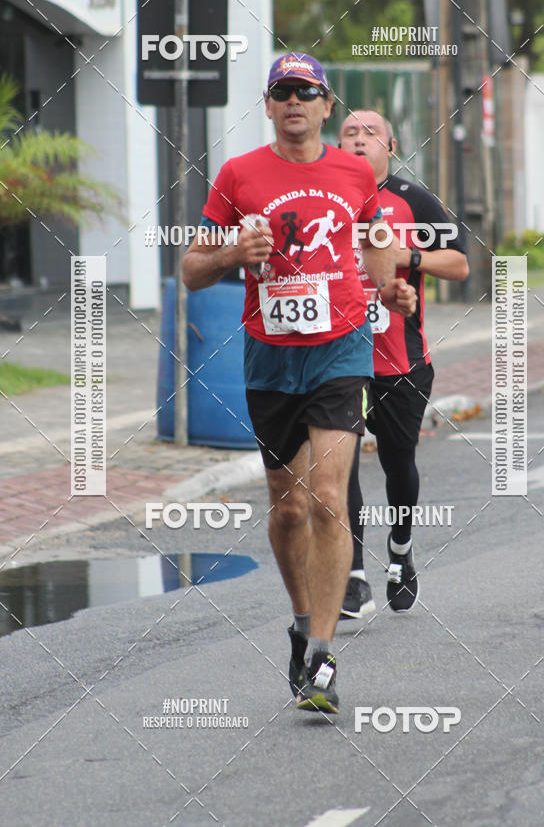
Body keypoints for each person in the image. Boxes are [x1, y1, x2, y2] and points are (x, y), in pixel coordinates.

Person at [182, 56, 417, 714]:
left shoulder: (352, 172)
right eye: (281, 92)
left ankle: (321, 655)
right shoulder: (238, 176)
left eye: (304, 92)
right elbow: (191, 270)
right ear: (268, 105)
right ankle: (299, 620)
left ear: (326, 105)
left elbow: (371, 242)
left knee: (327, 499)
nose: (293, 101)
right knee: (287, 509)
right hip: (269, 359)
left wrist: (388, 290)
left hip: (341, 350)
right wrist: (233, 255)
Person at [338, 110, 469, 618]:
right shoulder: (325, 200)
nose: (358, 141)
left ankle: (399, 549)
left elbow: (459, 264)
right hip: (339, 358)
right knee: (339, 462)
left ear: (389, 147)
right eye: (348, 133)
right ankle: (351, 574)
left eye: (369, 134)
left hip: (401, 360)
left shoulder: (413, 200)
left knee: (398, 462)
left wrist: (408, 258)